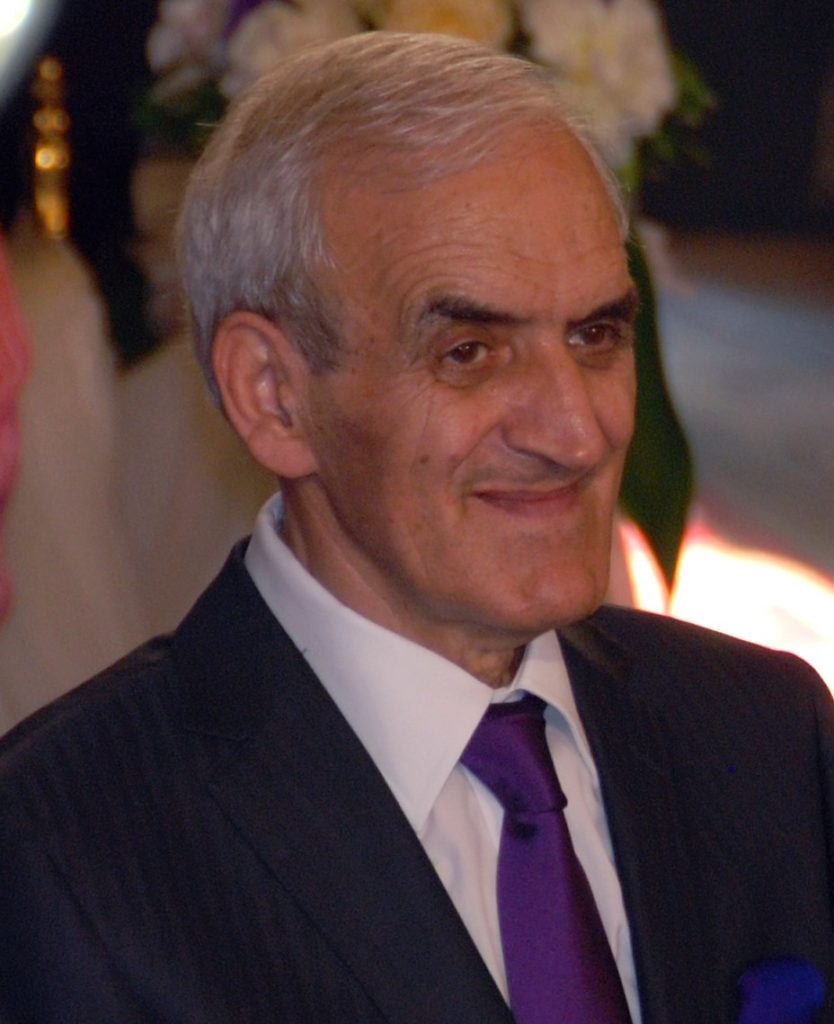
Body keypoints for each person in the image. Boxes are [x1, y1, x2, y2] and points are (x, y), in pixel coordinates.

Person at [0, 31, 831, 1024]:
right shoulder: (62, 852)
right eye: (470, 352)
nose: (578, 432)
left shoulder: (766, 732)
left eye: (595, 335)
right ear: (272, 394)